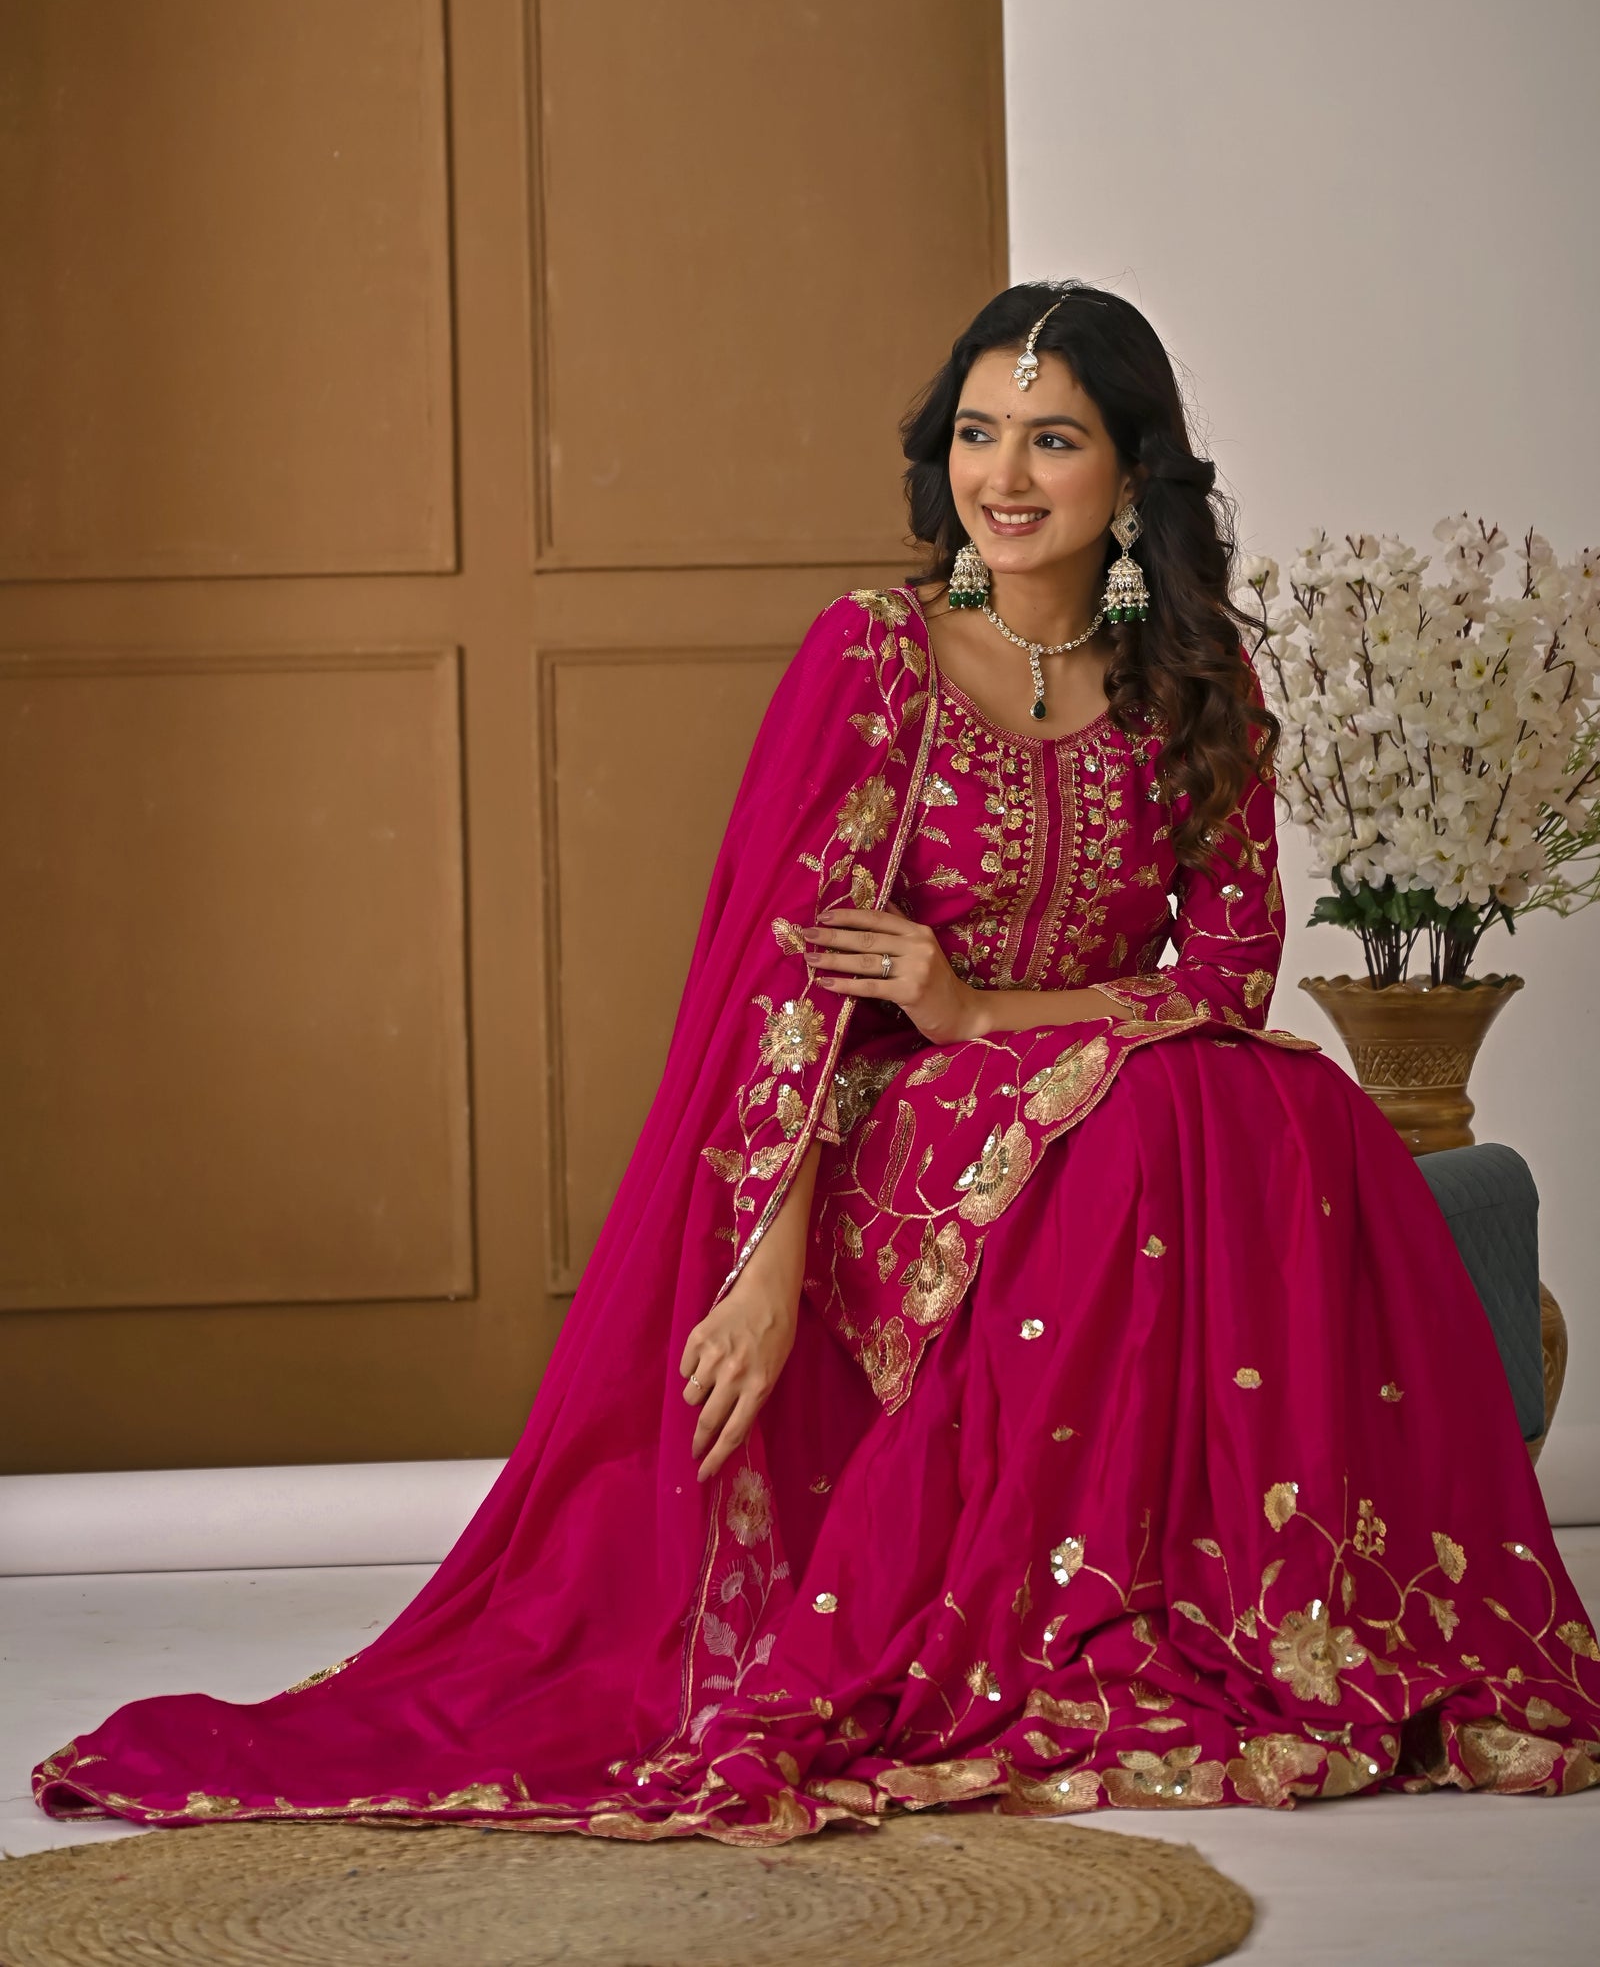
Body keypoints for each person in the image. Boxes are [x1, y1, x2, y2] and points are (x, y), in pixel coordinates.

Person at [34, 282, 1600, 1841]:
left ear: (1135, 474)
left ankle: (1236, 1607)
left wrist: (987, 1012)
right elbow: (783, 1002)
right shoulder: (879, 659)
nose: (1004, 475)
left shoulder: (1196, 684)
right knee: (1158, 1112)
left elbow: (1230, 979)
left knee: (1267, 1097)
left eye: (1052, 440)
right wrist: (765, 1263)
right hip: (888, 1131)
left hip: (1083, 1090)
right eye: (979, 434)